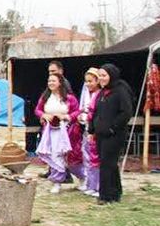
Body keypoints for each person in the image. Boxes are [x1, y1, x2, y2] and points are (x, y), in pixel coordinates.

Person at [89, 64, 135, 205]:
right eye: (100, 76)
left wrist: (112, 128)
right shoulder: (102, 92)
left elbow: (126, 112)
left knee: (107, 164)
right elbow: (96, 112)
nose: (102, 79)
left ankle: (105, 195)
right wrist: (92, 130)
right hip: (100, 134)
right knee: (109, 164)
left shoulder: (120, 90)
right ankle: (115, 192)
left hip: (114, 134)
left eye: (104, 76)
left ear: (111, 75)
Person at [35, 72, 84, 194]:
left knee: (71, 157)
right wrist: (44, 115)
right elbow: (37, 110)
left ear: (60, 83)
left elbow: (77, 111)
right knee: (54, 155)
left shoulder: (69, 98)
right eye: (49, 81)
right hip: (50, 131)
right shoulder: (45, 97)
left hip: (67, 131)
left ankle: (83, 177)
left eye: (53, 81)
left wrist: (66, 116)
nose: (51, 83)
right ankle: (56, 182)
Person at [78, 68, 102, 198]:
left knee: (95, 158)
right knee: (87, 156)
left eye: (90, 81)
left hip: (96, 130)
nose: (88, 84)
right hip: (88, 129)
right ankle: (90, 184)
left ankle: (97, 186)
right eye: (86, 81)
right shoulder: (89, 94)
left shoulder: (100, 95)